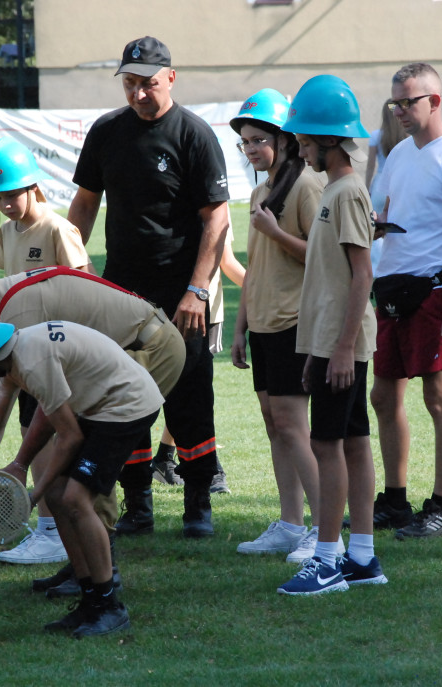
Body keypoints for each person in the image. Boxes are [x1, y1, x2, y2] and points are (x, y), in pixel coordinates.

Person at [0, 266, 185, 592]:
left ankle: (102, 581)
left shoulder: (20, 315)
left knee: (80, 481)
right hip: (122, 354)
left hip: (150, 348)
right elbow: (3, 409)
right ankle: (84, 570)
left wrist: (29, 482)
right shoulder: (2, 328)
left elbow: (57, 415)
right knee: (64, 478)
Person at [67, 36, 231, 538]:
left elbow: (216, 218)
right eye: (131, 84)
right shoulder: (107, 132)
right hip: (121, 297)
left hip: (182, 298)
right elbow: (86, 203)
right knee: (123, 398)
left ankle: (197, 500)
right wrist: (74, 265)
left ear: (171, 79)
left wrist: (197, 290)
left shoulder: (194, 135)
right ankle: (137, 503)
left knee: (188, 398)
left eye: (149, 84)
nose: (139, 94)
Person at [0, 308, 163, 638]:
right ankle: (90, 599)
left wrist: (32, 495)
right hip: (96, 406)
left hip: (126, 406)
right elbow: (33, 414)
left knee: (75, 498)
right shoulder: (12, 356)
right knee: (57, 496)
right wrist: (18, 466)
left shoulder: (31, 362)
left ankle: (110, 607)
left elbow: (69, 436)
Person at [276, 75, 385, 595]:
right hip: (328, 342)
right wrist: (315, 349)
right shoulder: (336, 191)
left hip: (341, 343)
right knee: (356, 442)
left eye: (304, 141)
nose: (299, 148)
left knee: (327, 445)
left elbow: (363, 274)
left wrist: (339, 348)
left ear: (327, 141)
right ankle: (362, 556)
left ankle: (329, 558)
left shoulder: (344, 192)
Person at [368, 62, 442, 539]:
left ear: (434, 101)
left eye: (408, 102)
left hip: (437, 291)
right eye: (395, 103)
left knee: (438, 397)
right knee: (383, 394)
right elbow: (379, 214)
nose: (399, 111)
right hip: (391, 291)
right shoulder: (398, 155)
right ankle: (395, 501)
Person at [0, 137, 90, 565]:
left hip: (61, 352)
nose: (3, 204)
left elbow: (85, 286)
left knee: (58, 437)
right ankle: (49, 528)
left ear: (32, 186)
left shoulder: (58, 229)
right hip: (22, 354)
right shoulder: (5, 232)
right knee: (30, 434)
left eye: (9, 194)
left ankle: (59, 529)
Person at [226, 88, 326, 564]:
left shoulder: (306, 187)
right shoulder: (262, 191)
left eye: (259, 139)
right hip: (264, 324)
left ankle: (327, 533)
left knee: (292, 426)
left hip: (294, 323)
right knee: (276, 426)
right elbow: (256, 264)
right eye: (245, 141)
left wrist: (276, 232)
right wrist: (241, 326)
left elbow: (325, 258)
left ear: (285, 139)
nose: (251, 149)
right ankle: (291, 524)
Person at [152, 235, 244, 493]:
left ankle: (166, 457)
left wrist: (257, 291)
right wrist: (259, 290)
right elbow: (227, 262)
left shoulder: (215, 204)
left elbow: (225, 259)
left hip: (206, 309)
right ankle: (203, 463)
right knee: (185, 389)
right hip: (174, 304)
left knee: (193, 388)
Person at [365, 99, 409, 275]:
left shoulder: (376, 135)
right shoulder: (406, 136)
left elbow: (370, 166)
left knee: (377, 226)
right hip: (399, 182)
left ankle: (377, 266)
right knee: (398, 224)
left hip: (380, 184)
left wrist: (366, 187)